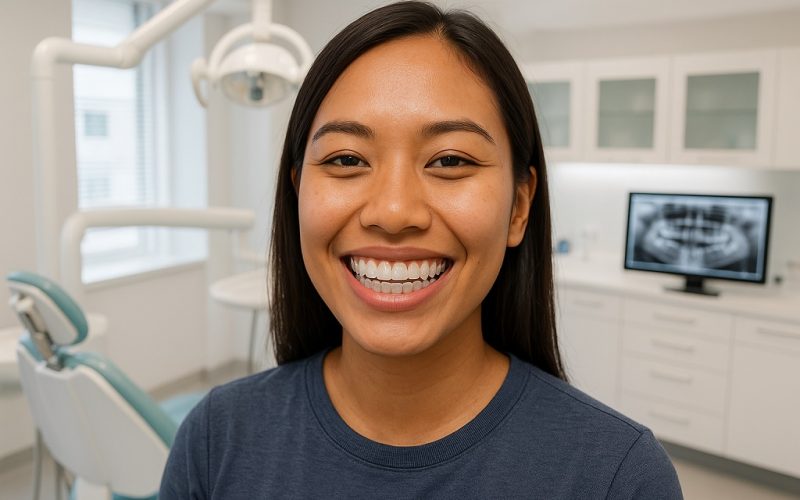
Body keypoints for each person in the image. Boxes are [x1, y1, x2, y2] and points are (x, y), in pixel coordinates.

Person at [160, 2, 683, 498]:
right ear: (298, 193)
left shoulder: (617, 478)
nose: (392, 211)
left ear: (519, 207)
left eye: (450, 160)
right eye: (345, 159)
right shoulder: (216, 439)